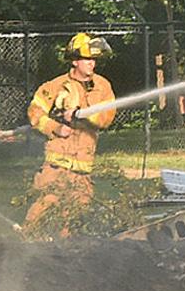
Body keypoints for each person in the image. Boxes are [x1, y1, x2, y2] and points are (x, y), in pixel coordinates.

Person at [25, 33, 117, 228]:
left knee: (73, 221)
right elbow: (34, 113)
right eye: (87, 59)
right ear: (75, 61)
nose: (92, 63)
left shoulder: (102, 87)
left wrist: (81, 114)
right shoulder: (55, 86)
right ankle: (25, 249)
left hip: (82, 171)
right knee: (40, 214)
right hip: (55, 168)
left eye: (93, 59)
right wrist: (55, 127)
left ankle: (66, 255)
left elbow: (107, 118)